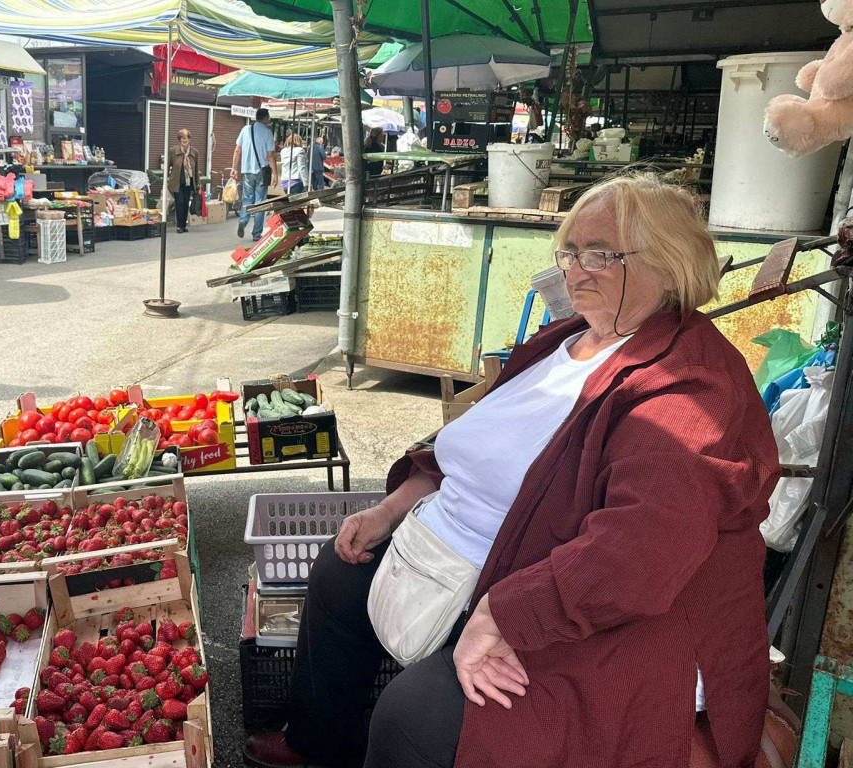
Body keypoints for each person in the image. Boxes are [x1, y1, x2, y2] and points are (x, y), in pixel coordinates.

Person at [244, 174, 780, 768]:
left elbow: (643, 547)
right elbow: (467, 448)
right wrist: (389, 509)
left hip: (577, 599)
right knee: (340, 572)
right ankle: (318, 745)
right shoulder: (568, 337)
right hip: (452, 559)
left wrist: (506, 612)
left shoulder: (688, 386)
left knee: (418, 716)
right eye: (571, 251)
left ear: (671, 263)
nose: (578, 270)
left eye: (601, 254)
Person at [231, 107, 279, 240]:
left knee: (247, 199)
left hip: (246, 171)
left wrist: (234, 168)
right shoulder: (268, 133)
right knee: (260, 202)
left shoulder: (245, 129)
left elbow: (237, 150)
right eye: (268, 117)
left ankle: (243, 220)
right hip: (262, 171)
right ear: (265, 118)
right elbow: (270, 155)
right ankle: (256, 234)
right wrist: (275, 174)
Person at [166, 128, 200, 234]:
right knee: (179, 202)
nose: (184, 140)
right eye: (182, 138)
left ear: (189, 139)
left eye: (185, 138)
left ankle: (183, 225)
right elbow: (168, 164)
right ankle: (179, 226)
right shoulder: (173, 150)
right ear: (179, 140)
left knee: (185, 203)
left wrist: (198, 184)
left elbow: (196, 169)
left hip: (189, 181)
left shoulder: (194, 152)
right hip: (177, 181)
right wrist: (166, 177)